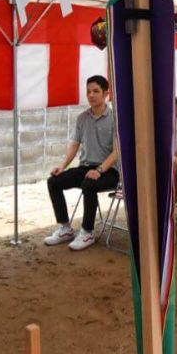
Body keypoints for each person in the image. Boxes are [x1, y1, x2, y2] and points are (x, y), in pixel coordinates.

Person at [44, 75, 119, 251]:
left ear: (106, 93)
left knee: (89, 183)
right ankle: (65, 228)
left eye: (96, 91)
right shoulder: (82, 118)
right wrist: (62, 167)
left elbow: (117, 152)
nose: (91, 95)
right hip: (85, 167)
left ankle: (87, 232)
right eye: (88, 92)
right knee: (53, 181)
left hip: (109, 171)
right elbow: (74, 145)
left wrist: (100, 170)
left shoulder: (115, 118)